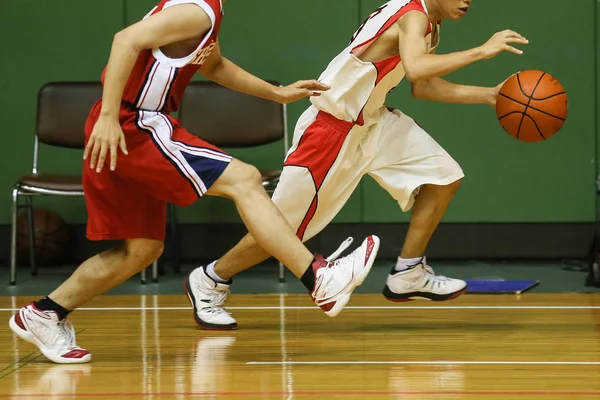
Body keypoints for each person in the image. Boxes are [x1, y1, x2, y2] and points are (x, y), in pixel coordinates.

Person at [8, 0, 381, 364]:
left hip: (126, 126)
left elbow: (214, 65)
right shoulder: (195, 10)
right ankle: (317, 277)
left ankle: (44, 313)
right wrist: (108, 116)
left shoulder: (207, 11)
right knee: (245, 179)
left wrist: (276, 94)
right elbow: (125, 40)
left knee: (141, 251)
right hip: (133, 125)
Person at [185, 0, 529, 329]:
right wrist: (482, 50)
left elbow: (423, 86)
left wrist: (488, 95)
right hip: (331, 130)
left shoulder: (429, 22)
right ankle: (210, 279)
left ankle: (408, 272)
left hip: (372, 122)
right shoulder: (414, 16)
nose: (467, 1)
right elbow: (418, 67)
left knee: (444, 175)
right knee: (282, 231)